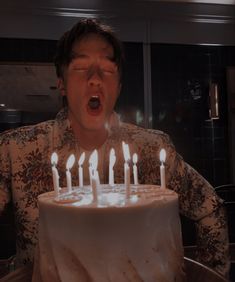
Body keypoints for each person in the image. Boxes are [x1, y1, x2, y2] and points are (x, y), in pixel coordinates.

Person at [0, 18, 230, 280]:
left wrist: (210, 274)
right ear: (61, 83)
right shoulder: (15, 150)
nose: (94, 79)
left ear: (118, 87)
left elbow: (210, 207)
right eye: (81, 66)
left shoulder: (151, 150)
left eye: (107, 70)